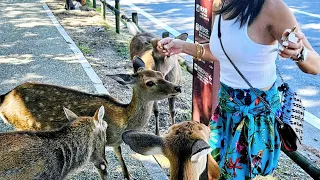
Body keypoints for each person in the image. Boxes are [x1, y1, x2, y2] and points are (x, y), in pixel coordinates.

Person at [157, 0, 320, 179]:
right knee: (216, 173)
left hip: (256, 120)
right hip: (225, 113)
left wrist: (299, 52)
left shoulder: (272, 6)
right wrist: (181, 46)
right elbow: (220, 50)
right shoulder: (220, 4)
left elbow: (315, 65)